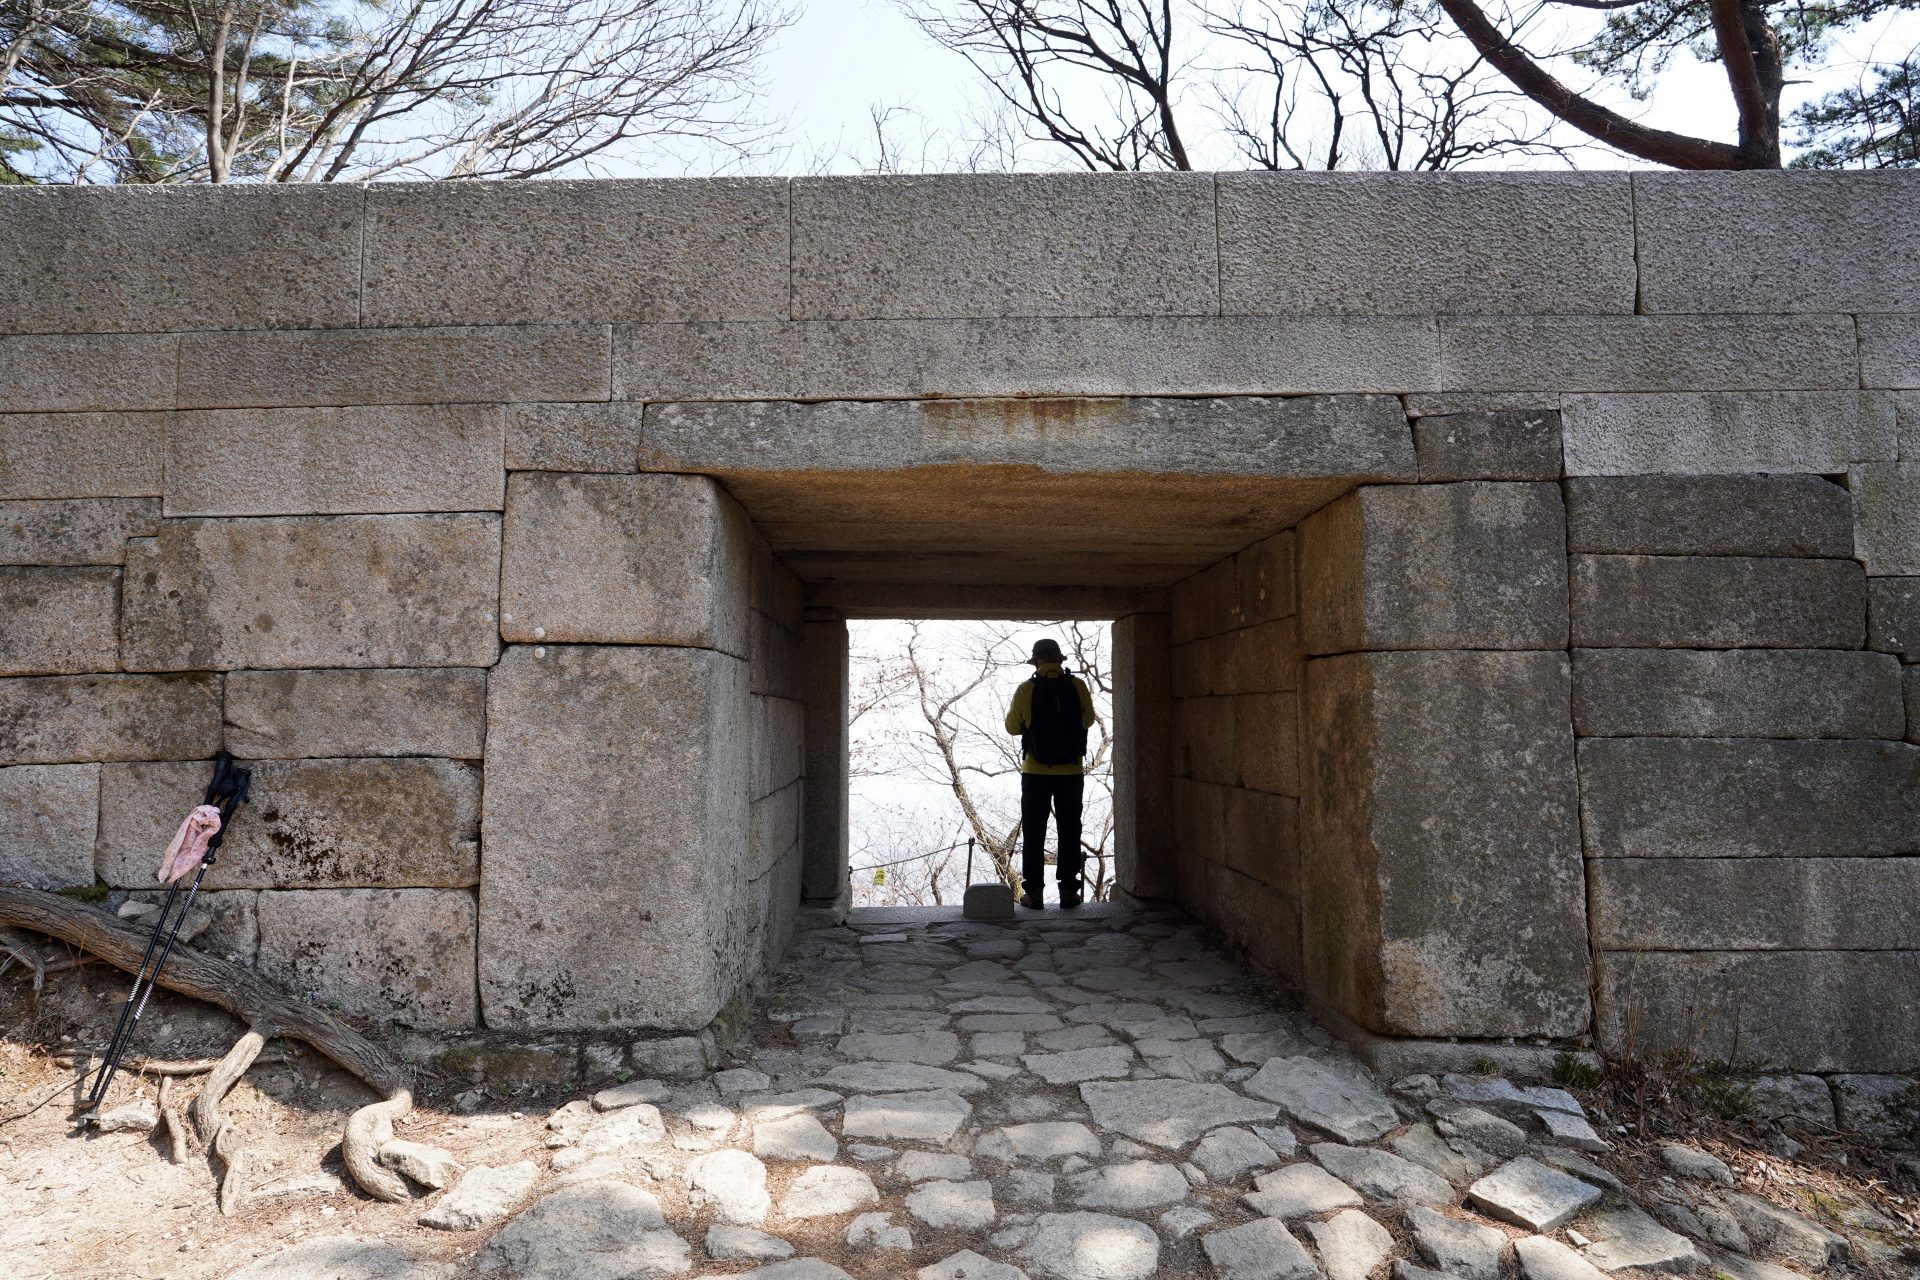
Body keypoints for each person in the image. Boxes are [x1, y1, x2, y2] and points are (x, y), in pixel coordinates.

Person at [1003, 638, 1097, 910]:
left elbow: (1012, 727)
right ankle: (1068, 892)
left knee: (1034, 831)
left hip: (1035, 771)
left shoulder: (1027, 688)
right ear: (1059, 660)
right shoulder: (1077, 686)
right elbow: (1088, 720)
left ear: (1036, 662)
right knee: (1069, 828)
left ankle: (1034, 893)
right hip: (1071, 771)